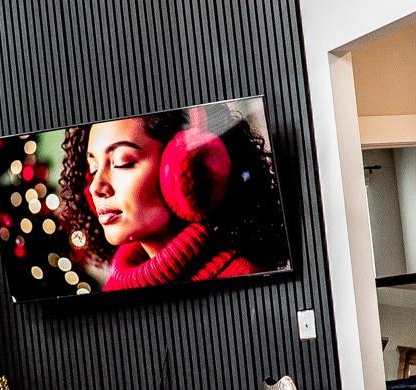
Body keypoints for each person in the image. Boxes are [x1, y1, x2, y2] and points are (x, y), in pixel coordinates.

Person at [57, 105, 289, 290]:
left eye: (122, 162)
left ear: (188, 163)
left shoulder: (242, 279)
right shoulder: (113, 288)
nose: (97, 187)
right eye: (93, 167)